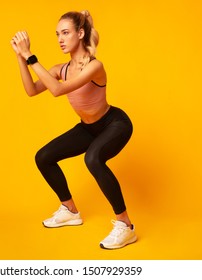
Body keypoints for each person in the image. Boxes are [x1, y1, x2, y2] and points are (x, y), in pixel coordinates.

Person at [10, 10, 137, 249]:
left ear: (80, 34)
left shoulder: (94, 66)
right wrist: (20, 57)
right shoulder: (61, 69)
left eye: (66, 33)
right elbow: (31, 90)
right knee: (44, 157)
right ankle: (69, 210)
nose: (60, 38)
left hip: (114, 124)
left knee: (93, 159)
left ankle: (126, 226)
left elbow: (59, 91)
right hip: (88, 128)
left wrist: (30, 56)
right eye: (57, 34)